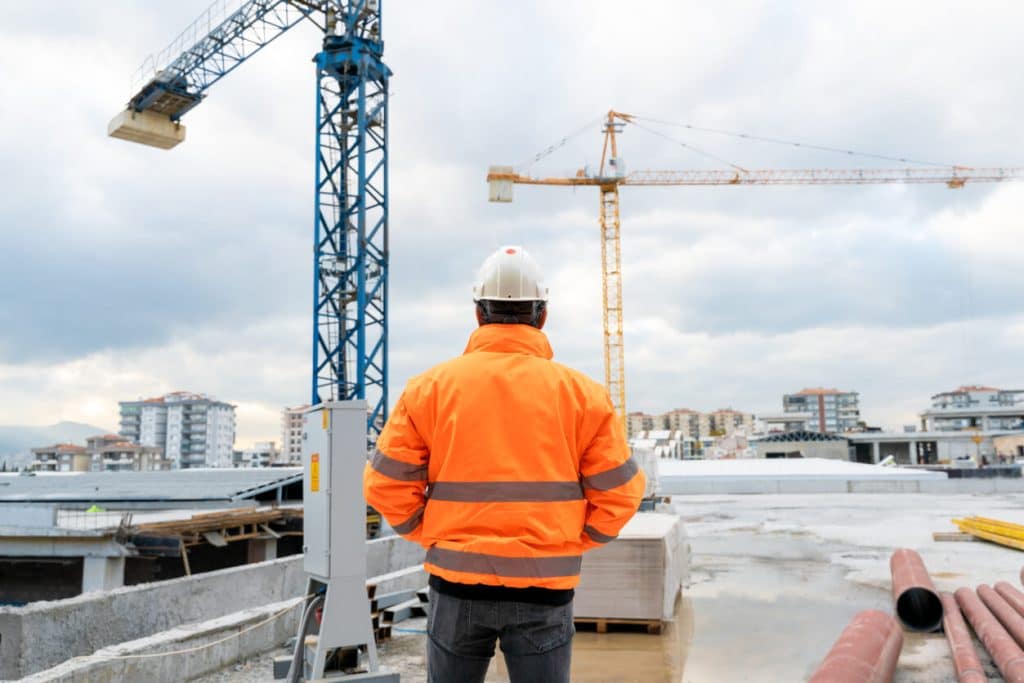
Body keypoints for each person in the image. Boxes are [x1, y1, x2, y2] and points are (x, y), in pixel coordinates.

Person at [363, 245, 645, 683]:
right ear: (542, 315)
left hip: (455, 584)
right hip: (544, 589)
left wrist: (433, 534)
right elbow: (621, 492)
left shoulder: (430, 388)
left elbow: (383, 483)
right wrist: (572, 540)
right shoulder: (582, 394)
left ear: (478, 314)